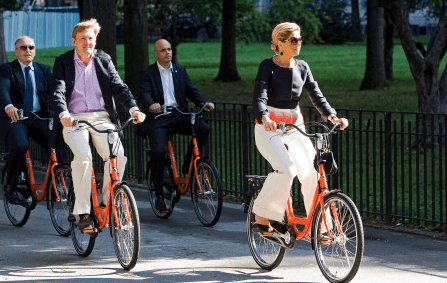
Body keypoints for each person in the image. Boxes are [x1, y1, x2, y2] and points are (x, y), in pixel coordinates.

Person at [252, 22, 349, 236]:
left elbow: (316, 95)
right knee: (287, 170)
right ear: (280, 43)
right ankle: (262, 213)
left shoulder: (302, 67)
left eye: (300, 39)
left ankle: (322, 228)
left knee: (311, 173)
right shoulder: (267, 66)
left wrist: (332, 115)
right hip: (269, 128)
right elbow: (260, 96)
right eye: (293, 40)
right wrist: (265, 116)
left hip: (295, 126)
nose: (299, 43)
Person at [50, 18, 145, 232]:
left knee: (118, 156)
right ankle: (83, 212)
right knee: (84, 156)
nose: (87, 43)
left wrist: (134, 109)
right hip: (74, 118)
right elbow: (58, 90)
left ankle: (108, 202)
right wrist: (63, 113)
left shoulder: (103, 59)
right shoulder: (64, 61)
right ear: (74, 41)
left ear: (95, 40)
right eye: (82, 39)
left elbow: (119, 86)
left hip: (102, 117)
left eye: (90, 38)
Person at [138, 39, 214, 212]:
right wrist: (152, 105)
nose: (167, 53)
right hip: (159, 117)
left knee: (203, 127)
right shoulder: (147, 73)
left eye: (169, 49)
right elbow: (145, 93)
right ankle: (158, 196)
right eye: (163, 50)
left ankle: (188, 162)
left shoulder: (180, 71)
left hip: (179, 114)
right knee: (158, 152)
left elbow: (191, 90)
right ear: (156, 54)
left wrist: (204, 103)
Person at [0, 36, 52, 207]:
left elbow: (57, 91)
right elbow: (3, 89)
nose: (27, 50)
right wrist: (8, 106)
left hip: (37, 117)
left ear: (35, 50)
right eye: (23, 48)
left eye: (31, 47)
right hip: (16, 118)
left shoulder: (43, 70)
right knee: (20, 145)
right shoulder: (7, 70)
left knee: (57, 140)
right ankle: (11, 186)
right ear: (16, 52)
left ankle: (59, 178)